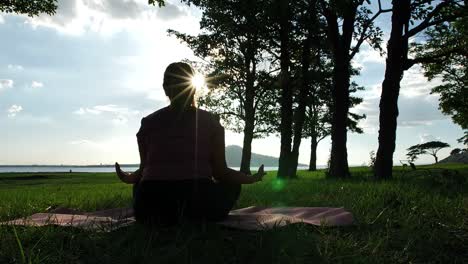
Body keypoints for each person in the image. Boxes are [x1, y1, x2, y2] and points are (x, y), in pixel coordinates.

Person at [115, 62, 265, 226]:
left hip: (149, 210)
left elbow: (143, 171)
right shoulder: (211, 121)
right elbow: (221, 173)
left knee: (140, 185)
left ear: (165, 89)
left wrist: (128, 177)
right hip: (199, 207)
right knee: (232, 185)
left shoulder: (148, 123)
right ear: (194, 88)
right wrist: (251, 179)